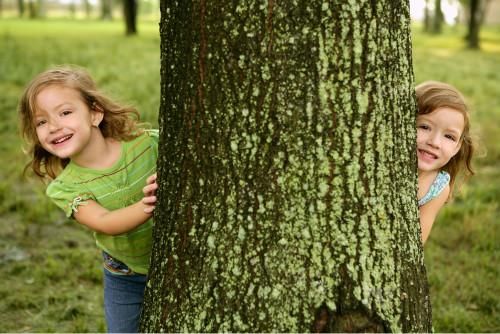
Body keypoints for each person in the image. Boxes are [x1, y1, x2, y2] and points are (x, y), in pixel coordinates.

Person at [18, 65, 159, 333]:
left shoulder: (146, 145)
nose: (54, 127)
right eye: (41, 122)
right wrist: (148, 205)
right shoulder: (65, 188)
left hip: (178, 257)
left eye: (65, 112)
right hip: (126, 276)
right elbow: (104, 221)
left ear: (95, 113)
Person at [415, 81, 475, 244]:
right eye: (425, 127)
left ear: (457, 147)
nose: (434, 142)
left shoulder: (438, 187)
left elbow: (417, 242)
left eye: (449, 136)